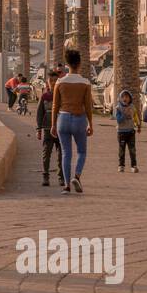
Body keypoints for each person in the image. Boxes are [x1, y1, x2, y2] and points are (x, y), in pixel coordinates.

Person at [51, 48, 94, 194]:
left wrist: (52, 125)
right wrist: (91, 124)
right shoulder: (85, 83)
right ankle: (77, 176)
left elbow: (55, 105)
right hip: (79, 119)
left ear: (67, 64)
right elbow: (88, 106)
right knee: (81, 151)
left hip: (62, 118)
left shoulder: (60, 82)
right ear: (79, 64)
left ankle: (67, 186)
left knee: (65, 153)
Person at [36, 68, 64, 187]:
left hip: (61, 129)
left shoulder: (64, 96)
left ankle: (61, 177)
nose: (53, 82)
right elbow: (39, 113)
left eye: (55, 80)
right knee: (46, 153)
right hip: (48, 129)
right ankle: (45, 176)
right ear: (47, 82)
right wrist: (38, 129)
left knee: (61, 154)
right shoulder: (45, 96)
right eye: (51, 80)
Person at [114, 89, 141, 173]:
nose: (125, 98)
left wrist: (138, 125)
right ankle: (121, 165)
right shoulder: (118, 108)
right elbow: (118, 120)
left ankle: (134, 166)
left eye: (127, 97)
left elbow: (136, 117)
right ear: (120, 98)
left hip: (131, 132)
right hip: (121, 132)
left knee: (132, 150)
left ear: (130, 98)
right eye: (123, 97)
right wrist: (124, 114)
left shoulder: (132, 107)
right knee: (122, 150)